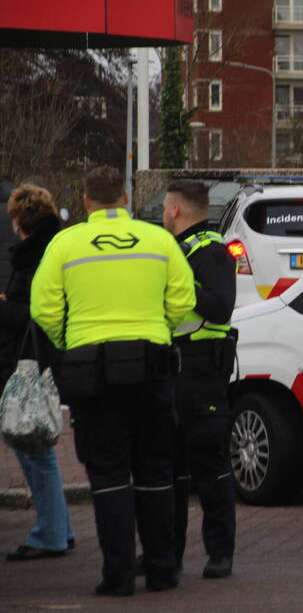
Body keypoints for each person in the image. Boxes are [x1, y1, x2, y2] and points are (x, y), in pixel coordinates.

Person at [30, 166, 195, 597]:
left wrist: (72, 341)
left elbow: (43, 307)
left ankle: (118, 577)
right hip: (152, 366)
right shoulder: (160, 241)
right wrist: (156, 329)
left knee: (108, 475)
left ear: (86, 201)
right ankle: (162, 571)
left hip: (92, 372)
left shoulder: (65, 243)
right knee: (156, 469)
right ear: (124, 197)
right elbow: (185, 299)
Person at [159, 179, 237, 579]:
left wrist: (181, 287)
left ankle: (219, 552)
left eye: (164, 207)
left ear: (175, 210)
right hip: (170, 371)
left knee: (210, 466)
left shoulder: (211, 251)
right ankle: (166, 554)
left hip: (202, 371)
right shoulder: (174, 252)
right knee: (169, 470)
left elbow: (221, 308)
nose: (161, 214)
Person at [1, 184, 76, 562]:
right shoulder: (57, 247)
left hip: (29, 362)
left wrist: (4, 307)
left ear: (19, 220)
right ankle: (60, 526)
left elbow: (30, 313)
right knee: (36, 445)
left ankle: (51, 532)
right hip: (49, 359)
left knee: (34, 447)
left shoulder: (31, 256)